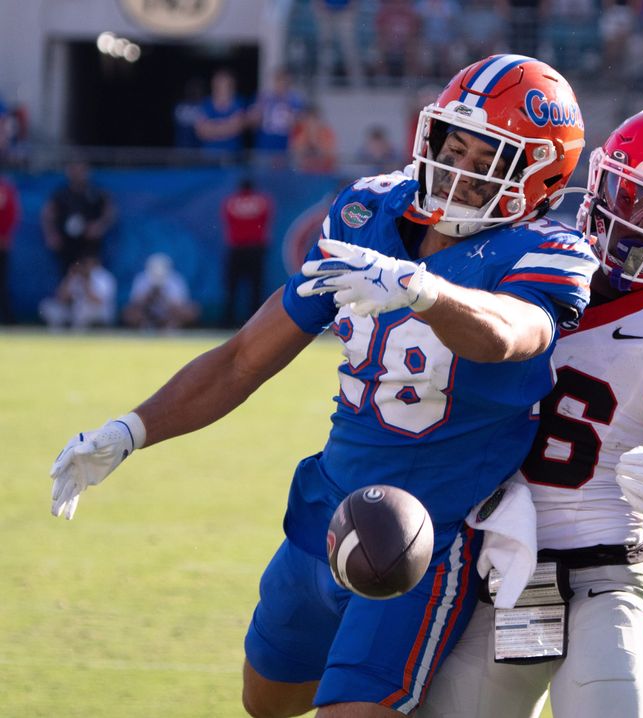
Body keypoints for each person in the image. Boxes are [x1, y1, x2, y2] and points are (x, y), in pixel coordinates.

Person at [48, 55, 595, 717]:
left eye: (488, 160)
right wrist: (129, 431)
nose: (458, 167)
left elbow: (513, 334)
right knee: (265, 701)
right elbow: (245, 357)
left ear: (541, 177)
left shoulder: (547, 248)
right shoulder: (369, 210)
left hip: (429, 535)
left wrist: (425, 294)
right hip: (325, 513)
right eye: (453, 144)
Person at [419, 105, 643, 718]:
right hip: (500, 573)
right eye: (633, 195)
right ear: (600, 179)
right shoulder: (519, 265)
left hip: (609, 577)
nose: (639, 225)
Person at [41, 160, 116, 276]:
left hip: (89, 244)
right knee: (69, 274)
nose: (78, 174)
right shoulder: (61, 194)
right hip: (67, 244)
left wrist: (100, 226)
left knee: (91, 274)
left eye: (81, 170)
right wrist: (50, 234)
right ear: (69, 172)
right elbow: (47, 214)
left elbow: (110, 212)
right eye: (75, 170)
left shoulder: (96, 193)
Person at [221, 178, 276, 327]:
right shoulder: (263, 201)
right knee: (256, 288)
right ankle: (255, 322)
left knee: (232, 288)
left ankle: (229, 321)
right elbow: (266, 221)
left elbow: (229, 221)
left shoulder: (231, 202)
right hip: (256, 249)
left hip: (237, 249)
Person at [121, 253, 199, 330]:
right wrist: (150, 295)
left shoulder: (176, 280)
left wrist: (164, 295)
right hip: (148, 314)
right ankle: (146, 325)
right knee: (129, 312)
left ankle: (171, 325)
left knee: (192, 310)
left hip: (168, 313)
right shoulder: (141, 279)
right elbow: (136, 303)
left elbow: (180, 305)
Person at [39, 254, 117, 329]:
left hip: (99, 312)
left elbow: (98, 301)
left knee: (82, 310)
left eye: (89, 263)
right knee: (48, 306)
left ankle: (77, 335)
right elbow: (61, 298)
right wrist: (70, 277)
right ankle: (57, 335)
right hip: (75, 311)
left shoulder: (104, 277)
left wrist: (87, 282)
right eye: (84, 263)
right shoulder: (77, 275)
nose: (87, 266)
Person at [194, 68, 246, 156]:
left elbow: (237, 128)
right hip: (209, 155)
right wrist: (227, 125)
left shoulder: (239, 103)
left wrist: (212, 127)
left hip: (233, 155)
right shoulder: (205, 104)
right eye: (219, 84)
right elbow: (201, 131)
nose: (223, 87)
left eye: (226, 84)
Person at [0, 169, 20, 323]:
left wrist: (5, 235)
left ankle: (8, 318)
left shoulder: (4, 188)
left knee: (2, 281)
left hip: (2, 243)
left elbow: (12, 214)